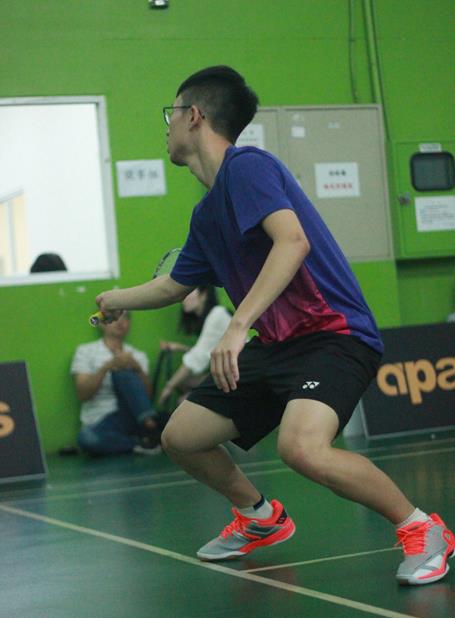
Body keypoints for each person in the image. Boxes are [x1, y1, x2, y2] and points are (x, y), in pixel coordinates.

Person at [95, 66, 454, 585]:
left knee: (301, 448)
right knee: (182, 436)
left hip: (333, 336)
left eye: (171, 113)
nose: (166, 126)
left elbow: (292, 241)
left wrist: (237, 326)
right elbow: (174, 285)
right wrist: (115, 299)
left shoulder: (249, 168)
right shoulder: (206, 214)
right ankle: (260, 517)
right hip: (277, 344)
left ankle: (421, 528)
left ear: (194, 116)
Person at [71, 312, 161, 456]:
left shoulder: (137, 355)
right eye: (113, 317)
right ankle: (140, 443)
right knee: (86, 438)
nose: (120, 321)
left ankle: (149, 428)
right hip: (99, 421)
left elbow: (148, 398)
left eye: (125, 317)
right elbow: (83, 394)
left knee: (123, 373)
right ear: (101, 323)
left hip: (131, 416)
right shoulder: (85, 351)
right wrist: (107, 367)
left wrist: (137, 368)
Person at [158, 285, 232, 406]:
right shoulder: (212, 316)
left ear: (204, 295)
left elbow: (199, 355)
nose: (183, 298)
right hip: (229, 374)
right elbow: (207, 351)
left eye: (189, 292)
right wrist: (179, 347)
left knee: (182, 401)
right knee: (184, 383)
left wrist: (169, 386)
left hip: (237, 375)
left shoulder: (217, 314)